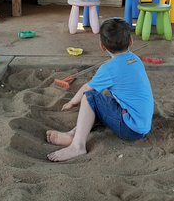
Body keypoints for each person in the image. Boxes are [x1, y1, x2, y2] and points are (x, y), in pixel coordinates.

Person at [46, 18, 154, 162]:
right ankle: (73, 134)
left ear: (102, 46)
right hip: (142, 123)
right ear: (131, 41)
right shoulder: (135, 59)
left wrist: (72, 102)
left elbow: (86, 88)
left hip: (130, 128)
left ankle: (77, 146)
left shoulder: (108, 69)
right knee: (99, 104)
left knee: (90, 97)